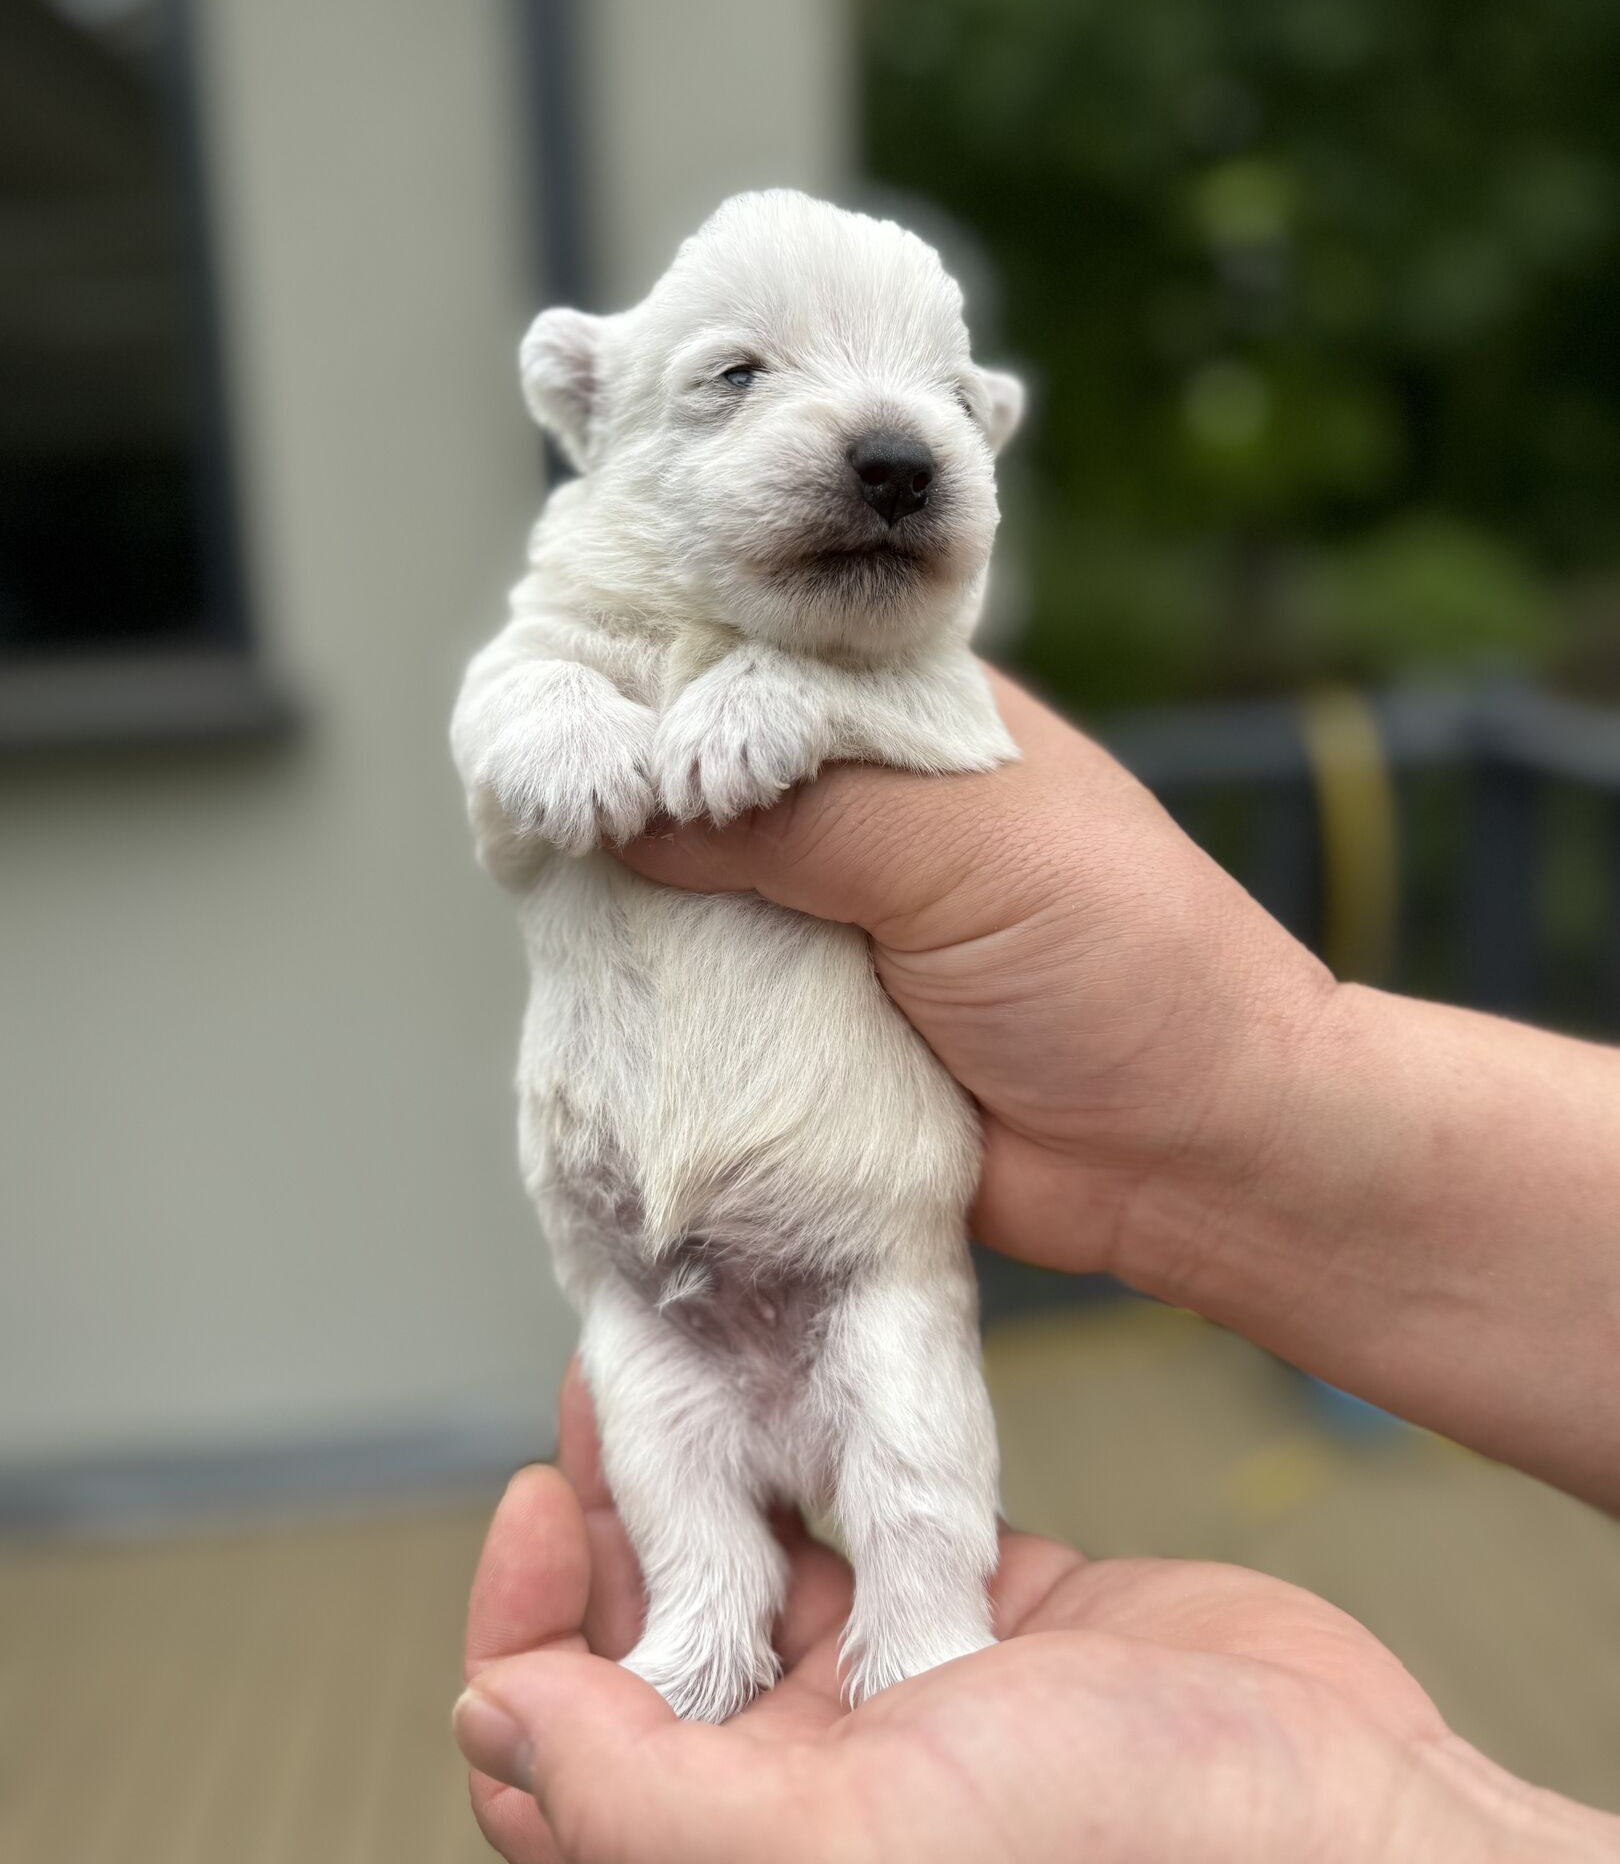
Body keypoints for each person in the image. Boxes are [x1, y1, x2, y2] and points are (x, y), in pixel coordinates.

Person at [452, 672, 1620, 1862]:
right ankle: (705, 1625)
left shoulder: (893, 675)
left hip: (859, 1258)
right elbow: (506, 782)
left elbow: (932, 718)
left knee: (907, 1457)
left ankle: (927, 1638)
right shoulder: (569, 634)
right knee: (663, 1448)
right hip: (653, 1281)